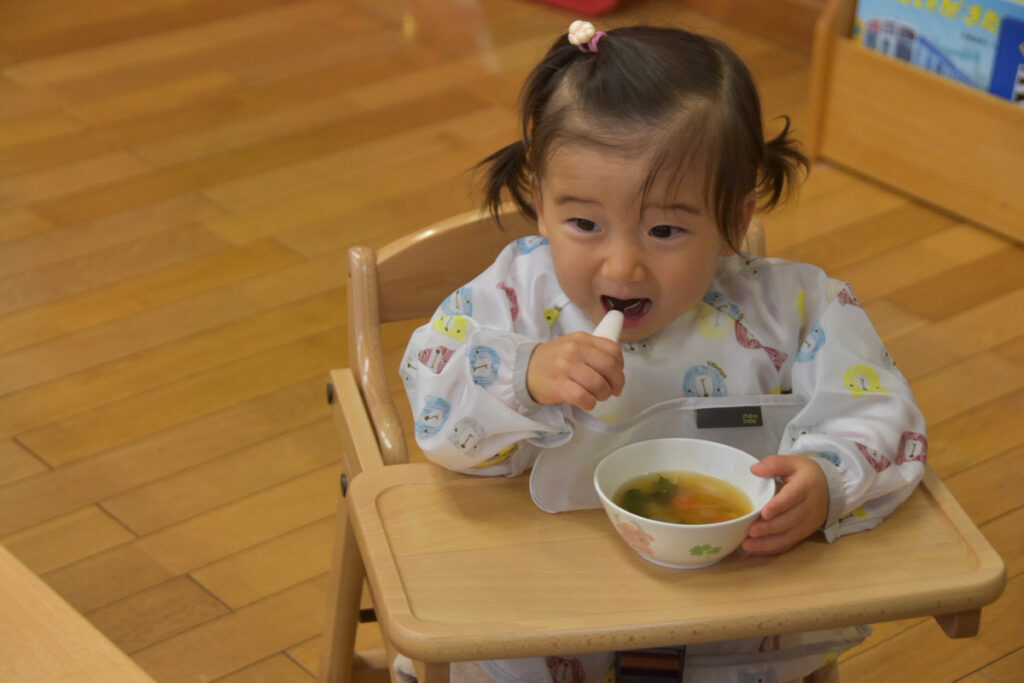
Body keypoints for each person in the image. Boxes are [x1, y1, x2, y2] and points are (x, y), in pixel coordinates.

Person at [398, 20, 927, 683]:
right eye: (584, 223)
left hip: (734, 635)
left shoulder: (794, 308)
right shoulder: (513, 296)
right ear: (539, 199)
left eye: (666, 229)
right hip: (541, 629)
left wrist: (828, 477)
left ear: (734, 219)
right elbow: (432, 399)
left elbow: (882, 411)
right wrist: (522, 376)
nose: (623, 264)